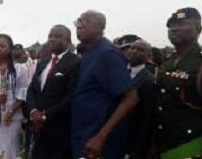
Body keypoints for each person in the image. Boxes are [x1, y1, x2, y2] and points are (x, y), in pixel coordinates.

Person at [71, 10, 138, 159]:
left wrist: (101, 137)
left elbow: (131, 98)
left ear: (100, 26)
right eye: (78, 22)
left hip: (99, 142)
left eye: (85, 22)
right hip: (83, 134)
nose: (79, 26)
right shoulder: (90, 53)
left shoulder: (107, 54)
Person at [154, 7, 202, 159]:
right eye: (171, 25)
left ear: (198, 29)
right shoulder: (167, 63)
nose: (174, 29)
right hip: (162, 144)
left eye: (182, 24)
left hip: (190, 147)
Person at [27, 25, 80, 159]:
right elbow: (32, 89)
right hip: (38, 127)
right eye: (50, 36)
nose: (52, 39)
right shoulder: (42, 63)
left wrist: (45, 115)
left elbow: (71, 96)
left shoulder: (76, 63)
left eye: (57, 36)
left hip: (59, 127)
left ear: (68, 40)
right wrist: (33, 111)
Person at [124, 39, 155, 159]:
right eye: (132, 48)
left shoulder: (148, 81)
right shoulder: (119, 72)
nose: (134, 51)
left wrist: (138, 149)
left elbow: (146, 118)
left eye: (140, 50)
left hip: (131, 139)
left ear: (148, 56)